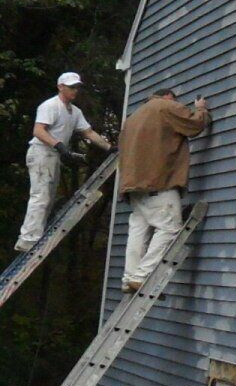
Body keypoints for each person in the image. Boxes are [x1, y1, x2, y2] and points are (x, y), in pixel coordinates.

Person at [116, 88, 210, 292]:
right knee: (169, 228)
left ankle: (129, 277)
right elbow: (194, 125)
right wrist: (201, 110)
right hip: (158, 183)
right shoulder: (166, 106)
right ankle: (142, 276)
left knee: (138, 232)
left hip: (134, 187)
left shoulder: (132, 118)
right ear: (169, 97)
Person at [14, 71, 113, 253]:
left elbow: (89, 133)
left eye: (77, 87)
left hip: (53, 155)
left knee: (49, 197)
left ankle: (34, 235)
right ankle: (28, 239)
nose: (75, 91)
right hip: (41, 152)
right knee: (41, 195)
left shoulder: (75, 112)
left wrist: (108, 147)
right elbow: (38, 131)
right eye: (71, 87)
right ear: (61, 87)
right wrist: (59, 145)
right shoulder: (50, 105)